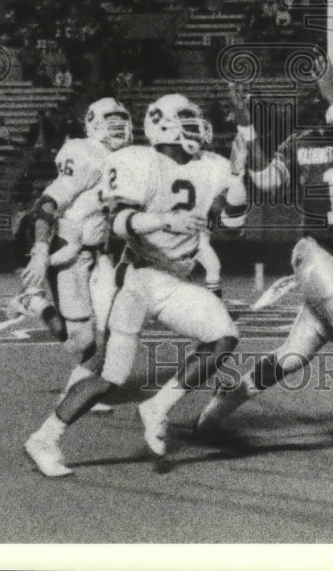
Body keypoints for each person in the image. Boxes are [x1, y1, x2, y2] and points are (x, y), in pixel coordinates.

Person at [196, 62, 333, 463]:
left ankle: (227, 399)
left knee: (294, 355)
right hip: (316, 253)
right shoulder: (304, 140)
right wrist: (246, 124)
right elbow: (267, 182)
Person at [24, 92, 249, 476]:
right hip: (138, 277)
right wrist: (163, 221)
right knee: (110, 376)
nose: (197, 127)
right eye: (187, 120)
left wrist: (238, 180)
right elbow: (119, 222)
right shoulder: (138, 160)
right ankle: (44, 438)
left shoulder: (213, 165)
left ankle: (158, 407)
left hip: (176, 279)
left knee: (223, 338)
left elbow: (233, 225)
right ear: (162, 125)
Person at [10, 97, 133, 412]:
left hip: (100, 254)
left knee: (112, 326)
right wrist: (40, 253)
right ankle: (35, 302)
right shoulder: (85, 154)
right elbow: (47, 204)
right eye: (111, 120)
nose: (118, 126)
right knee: (79, 341)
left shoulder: (131, 160)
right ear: (92, 123)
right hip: (68, 252)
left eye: (122, 119)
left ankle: (78, 392)